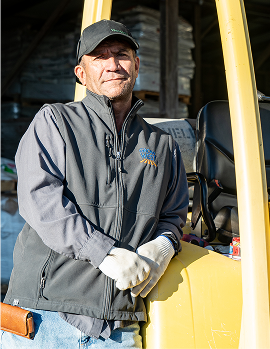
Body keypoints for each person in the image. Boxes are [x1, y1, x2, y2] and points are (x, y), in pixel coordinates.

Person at [0, 19, 189, 348]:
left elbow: (174, 215)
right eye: (99, 57)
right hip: (46, 318)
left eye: (122, 54)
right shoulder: (56, 122)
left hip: (117, 327)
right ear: (81, 74)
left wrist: (164, 246)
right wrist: (103, 253)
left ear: (137, 66)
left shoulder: (162, 145)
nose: (113, 65)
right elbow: (39, 200)